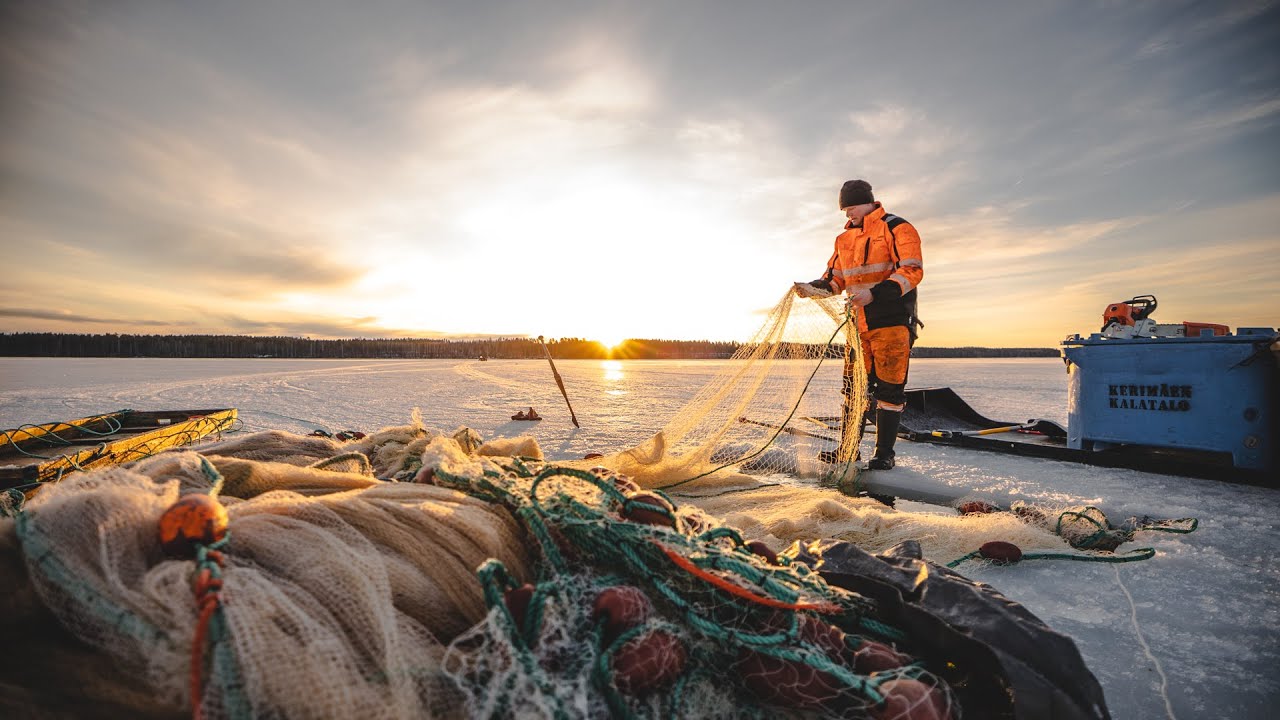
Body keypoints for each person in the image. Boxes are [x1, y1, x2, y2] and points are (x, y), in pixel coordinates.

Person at [795, 179, 923, 469]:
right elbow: (835, 279)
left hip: (891, 322)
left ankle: (884, 455)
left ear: (868, 202)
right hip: (857, 326)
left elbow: (912, 270)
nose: (847, 213)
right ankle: (848, 450)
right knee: (853, 390)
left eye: (851, 207)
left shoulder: (897, 227)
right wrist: (814, 288)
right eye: (844, 209)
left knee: (889, 390)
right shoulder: (843, 240)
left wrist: (875, 294)